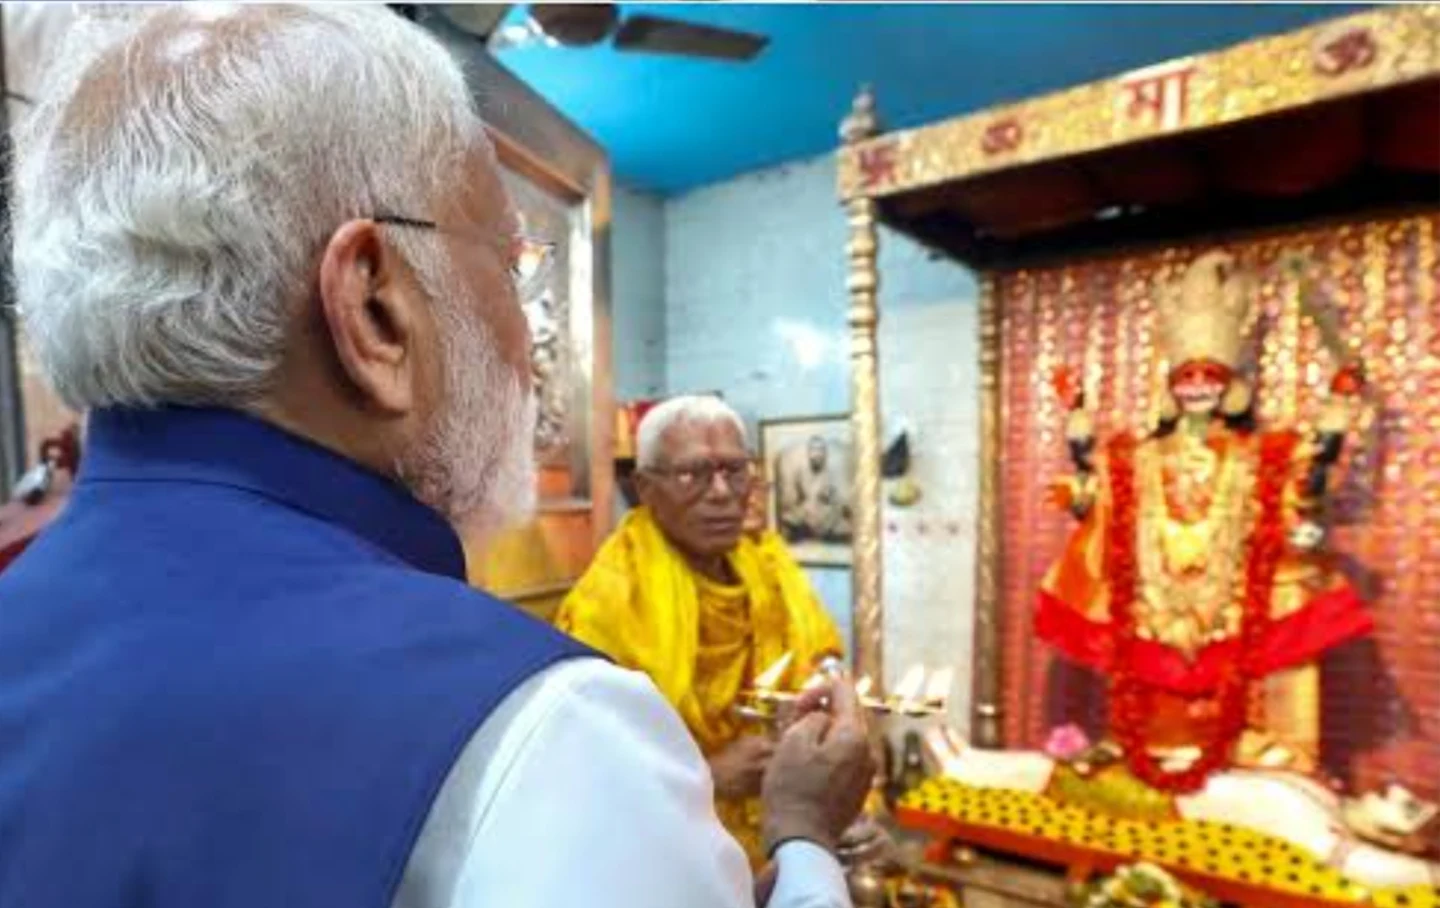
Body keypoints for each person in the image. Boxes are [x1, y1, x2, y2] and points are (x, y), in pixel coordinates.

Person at [0, 6, 871, 908]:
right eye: (511, 264)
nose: (533, 347)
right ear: (374, 311)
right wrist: (804, 845)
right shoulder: (545, 735)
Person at [556, 396, 856, 865]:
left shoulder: (768, 564)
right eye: (692, 474)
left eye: (735, 471)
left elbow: (823, 667)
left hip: (782, 831)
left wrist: (835, 806)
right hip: (668, 856)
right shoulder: (610, 602)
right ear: (645, 488)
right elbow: (585, 771)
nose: (720, 492)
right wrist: (708, 776)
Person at [776, 435, 851, 543]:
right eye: (813, 449)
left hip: (831, 529)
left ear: (825, 453)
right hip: (805, 527)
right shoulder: (799, 474)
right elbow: (790, 505)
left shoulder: (833, 475)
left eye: (820, 449)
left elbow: (842, 502)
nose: (817, 454)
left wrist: (831, 500)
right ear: (808, 453)